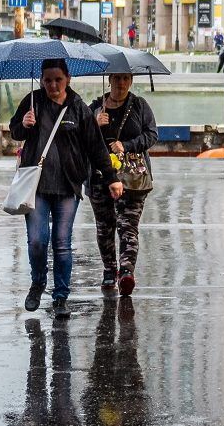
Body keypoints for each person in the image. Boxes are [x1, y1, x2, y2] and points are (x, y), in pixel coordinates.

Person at [9, 60, 121, 320]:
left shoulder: (79, 108)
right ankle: (38, 283)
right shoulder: (32, 101)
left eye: (58, 80)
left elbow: (95, 147)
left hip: (68, 186)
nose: (53, 85)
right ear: (41, 80)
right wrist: (23, 125)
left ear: (67, 79)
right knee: (37, 241)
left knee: (61, 243)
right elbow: (15, 131)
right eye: (47, 80)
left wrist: (112, 177)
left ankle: (60, 296)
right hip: (36, 185)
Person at [89, 72, 156, 297]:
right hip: (100, 176)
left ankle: (126, 272)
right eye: (117, 78)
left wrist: (126, 145)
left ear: (131, 81)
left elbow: (152, 135)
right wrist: (94, 124)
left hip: (132, 177)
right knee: (105, 226)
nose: (122, 83)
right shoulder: (96, 107)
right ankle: (109, 270)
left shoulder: (139, 105)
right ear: (109, 79)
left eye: (126, 78)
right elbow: (80, 137)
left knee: (128, 225)